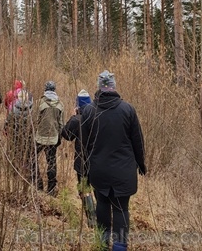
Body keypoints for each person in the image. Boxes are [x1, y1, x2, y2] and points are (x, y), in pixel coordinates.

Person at [81, 70, 146, 251]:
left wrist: (85, 169)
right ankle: (119, 247)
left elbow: (84, 145)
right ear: (114, 87)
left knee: (102, 203)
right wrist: (141, 164)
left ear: (99, 87)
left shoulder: (88, 111)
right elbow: (138, 141)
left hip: (99, 169)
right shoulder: (128, 110)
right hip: (124, 171)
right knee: (121, 208)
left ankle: (102, 245)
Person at [62, 89, 96, 227]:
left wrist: (72, 117)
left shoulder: (77, 120)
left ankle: (91, 218)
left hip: (82, 160)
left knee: (84, 188)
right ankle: (101, 217)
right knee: (98, 189)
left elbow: (66, 135)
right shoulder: (98, 116)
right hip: (98, 159)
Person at [33, 81, 64, 196]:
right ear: (54, 90)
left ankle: (38, 184)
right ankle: (51, 189)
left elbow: (35, 121)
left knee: (32, 158)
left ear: (45, 89)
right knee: (51, 161)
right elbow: (61, 124)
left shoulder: (39, 103)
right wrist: (59, 138)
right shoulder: (60, 104)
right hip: (53, 138)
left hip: (39, 137)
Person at [4, 89, 34, 179]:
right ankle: (26, 172)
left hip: (15, 135)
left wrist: (6, 131)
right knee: (27, 155)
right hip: (27, 137)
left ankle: (15, 173)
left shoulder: (12, 109)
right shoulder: (32, 110)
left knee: (14, 153)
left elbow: (7, 122)